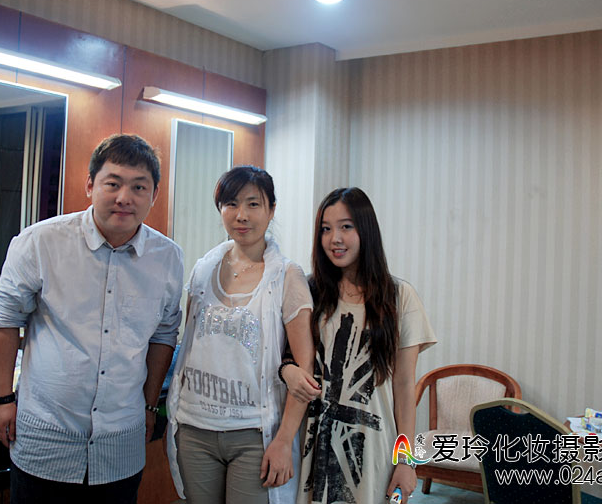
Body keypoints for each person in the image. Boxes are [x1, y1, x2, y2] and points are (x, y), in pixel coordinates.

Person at [0, 134, 184, 503]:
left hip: (121, 441)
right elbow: (4, 321)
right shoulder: (40, 242)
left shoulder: (168, 258)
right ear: (91, 185)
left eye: (139, 187)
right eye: (113, 183)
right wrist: (2, 398)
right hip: (45, 436)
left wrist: (149, 405)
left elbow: (163, 335)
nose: (125, 197)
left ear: (154, 194)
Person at [165, 165, 315, 504]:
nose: (241, 215)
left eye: (253, 204)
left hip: (254, 434)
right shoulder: (203, 269)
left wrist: (283, 440)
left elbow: (304, 370)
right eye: (231, 204)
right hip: (194, 427)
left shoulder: (286, 276)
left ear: (271, 210)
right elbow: (189, 346)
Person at [282, 187, 437, 504]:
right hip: (314, 445)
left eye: (346, 227)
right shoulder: (309, 291)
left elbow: (404, 387)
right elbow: (288, 360)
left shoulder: (399, 296)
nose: (334, 239)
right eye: (326, 229)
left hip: (372, 449)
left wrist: (406, 461)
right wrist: (286, 371)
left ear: (366, 230)